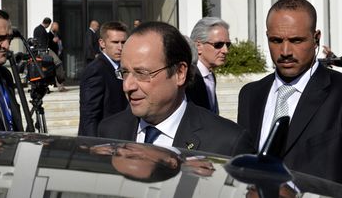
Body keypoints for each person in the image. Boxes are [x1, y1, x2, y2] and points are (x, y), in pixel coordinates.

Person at [98, 21, 254, 157]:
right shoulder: (110, 131)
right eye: (125, 73)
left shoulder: (227, 142)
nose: (127, 86)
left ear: (180, 73)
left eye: (142, 73)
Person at [237, 0, 342, 183]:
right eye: (276, 40)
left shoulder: (338, 92)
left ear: (316, 38)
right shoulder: (250, 95)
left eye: (296, 40)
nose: (285, 51)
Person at [79, 21, 129, 136]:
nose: (120, 47)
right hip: (104, 144)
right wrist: (93, 146)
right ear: (102, 43)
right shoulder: (96, 70)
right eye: (115, 42)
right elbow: (89, 115)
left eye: (123, 42)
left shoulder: (125, 67)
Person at [186, 17, 231, 114]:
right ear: (198, 46)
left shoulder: (210, 76)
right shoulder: (187, 77)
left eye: (228, 45)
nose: (225, 50)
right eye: (218, 44)